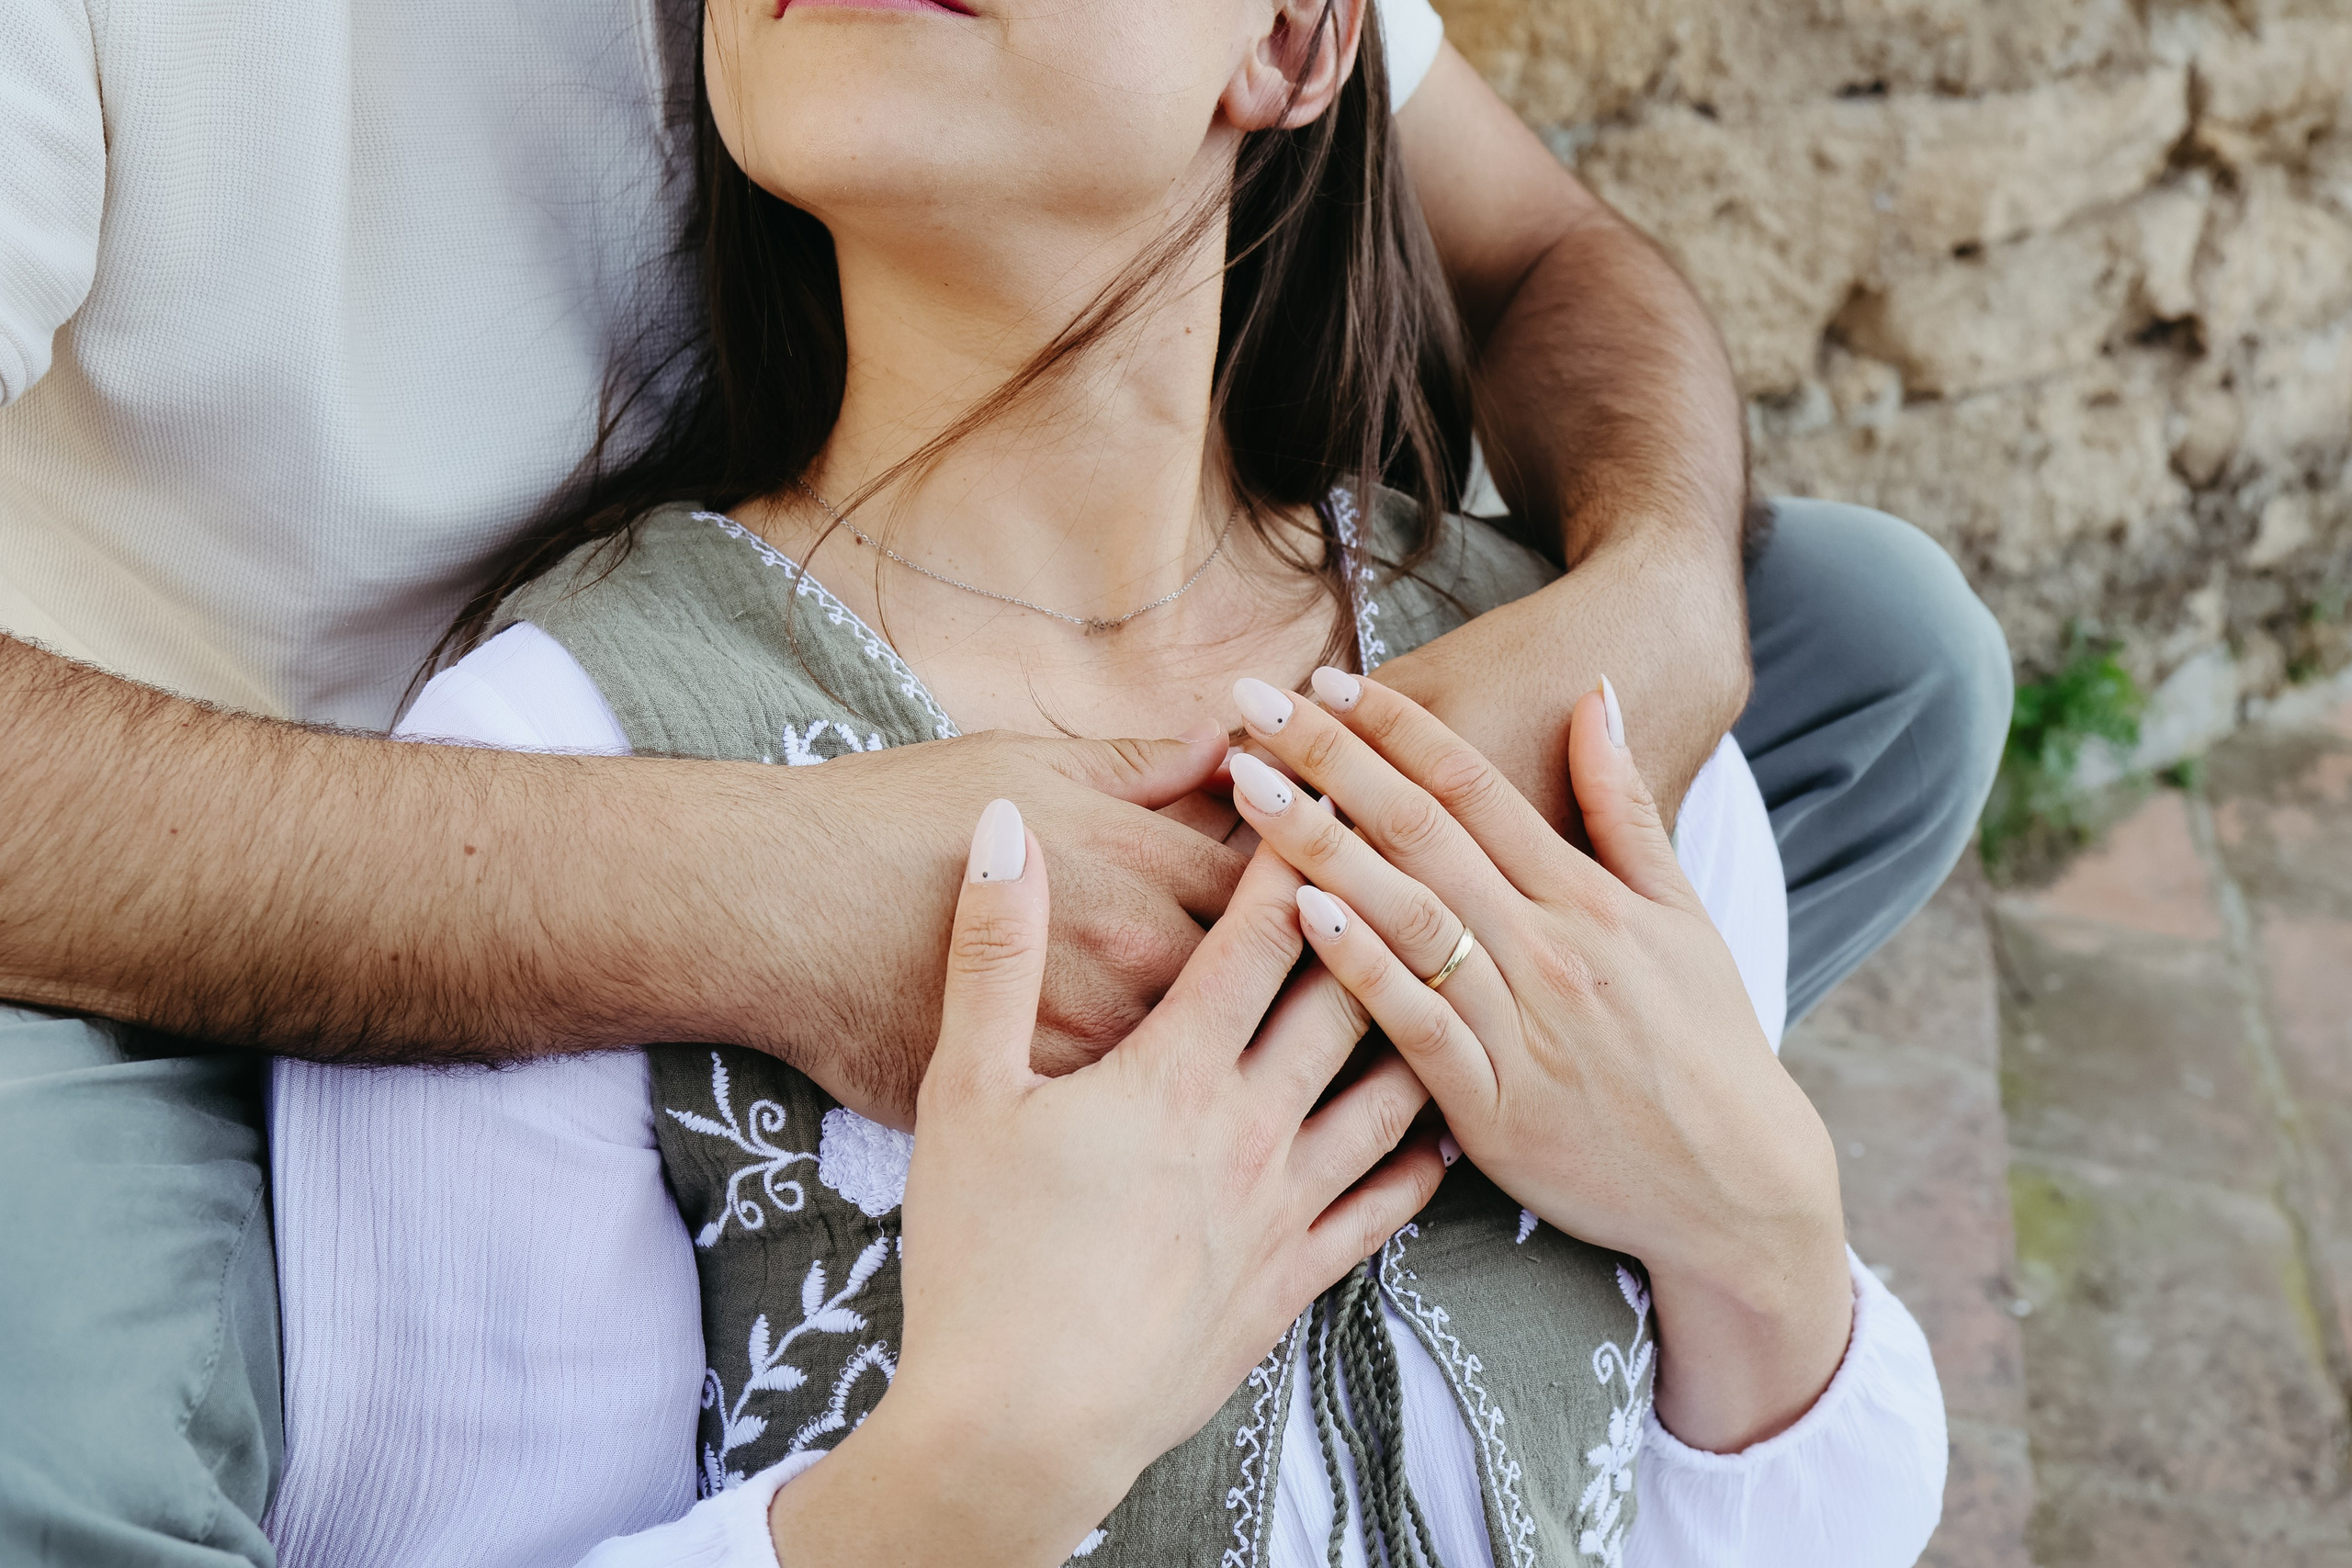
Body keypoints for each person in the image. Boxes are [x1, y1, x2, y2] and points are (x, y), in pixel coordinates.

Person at [0, 0, 2009, 1563]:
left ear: (1294, 42)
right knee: (68, 1450)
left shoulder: (1547, 714)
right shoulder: (548, 715)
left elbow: (1543, 244)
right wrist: (979, 1453)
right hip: (166, 846)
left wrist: (1749, 1218)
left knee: (1883, 654)